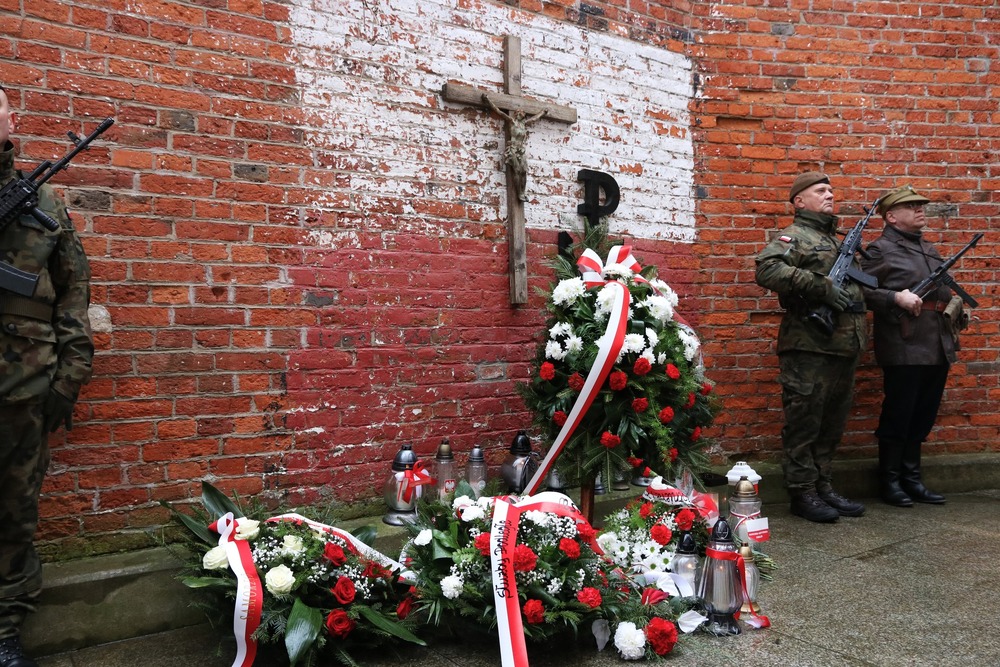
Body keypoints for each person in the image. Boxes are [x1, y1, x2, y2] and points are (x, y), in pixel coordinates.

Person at [0, 84, 94, 667]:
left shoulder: (44, 204)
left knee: (12, 513)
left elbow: (75, 297)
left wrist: (68, 379)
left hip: (23, 391)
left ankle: (4, 629)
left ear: (11, 119)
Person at [755, 172, 868, 523]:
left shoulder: (835, 241)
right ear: (799, 202)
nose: (830, 195)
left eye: (831, 190)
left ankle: (823, 486)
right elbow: (767, 269)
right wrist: (821, 286)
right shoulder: (797, 237)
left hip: (843, 345)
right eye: (821, 191)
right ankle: (802, 491)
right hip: (808, 346)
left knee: (832, 423)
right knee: (804, 421)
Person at [860, 186, 953, 507]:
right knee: (900, 414)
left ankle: (912, 478)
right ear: (891, 216)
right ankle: (890, 481)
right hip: (904, 344)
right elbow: (859, 290)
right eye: (910, 206)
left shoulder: (927, 248)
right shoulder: (880, 250)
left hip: (936, 343)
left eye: (920, 205)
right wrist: (894, 296)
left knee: (923, 415)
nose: (919, 210)